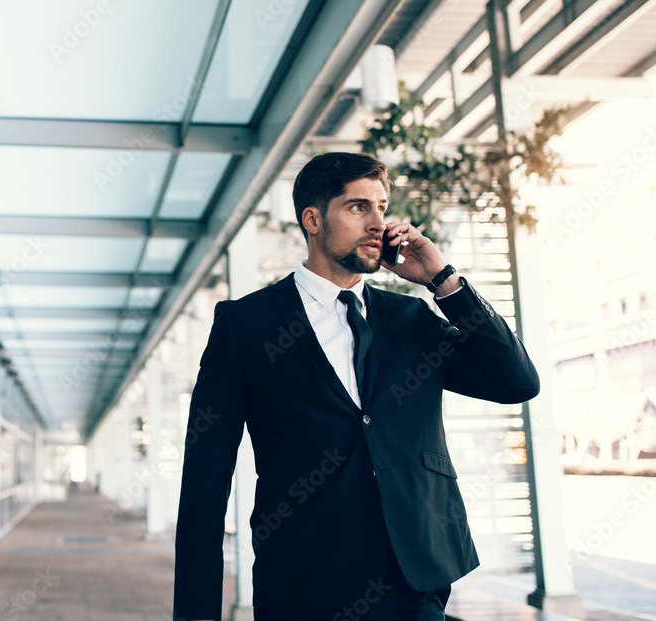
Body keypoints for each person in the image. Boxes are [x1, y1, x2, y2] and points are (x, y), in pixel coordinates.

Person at [172, 152, 540, 621]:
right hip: (304, 583)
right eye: (357, 207)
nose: (377, 223)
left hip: (414, 580)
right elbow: (205, 481)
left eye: (382, 207)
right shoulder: (246, 326)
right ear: (312, 219)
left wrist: (444, 283)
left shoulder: (411, 319)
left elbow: (517, 382)